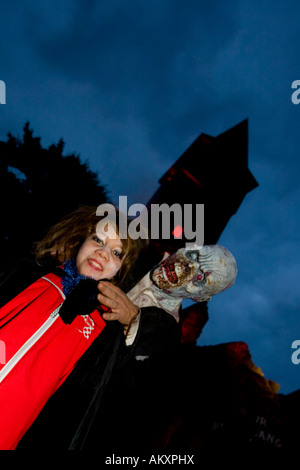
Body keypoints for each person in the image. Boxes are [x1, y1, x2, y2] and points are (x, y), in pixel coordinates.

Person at [0, 205, 180, 450]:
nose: (103, 253)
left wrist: (134, 319)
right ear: (80, 240)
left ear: (121, 271)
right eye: (98, 240)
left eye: (117, 253)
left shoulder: (102, 328)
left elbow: (155, 364)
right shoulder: (30, 273)